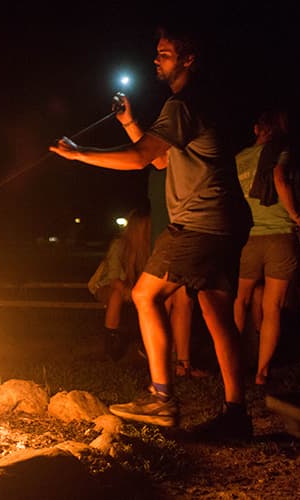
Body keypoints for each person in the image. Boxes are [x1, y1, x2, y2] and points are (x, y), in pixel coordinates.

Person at [50, 26, 253, 439]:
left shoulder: (183, 105)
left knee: (144, 294)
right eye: (157, 53)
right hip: (223, 223)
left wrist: (79, 154)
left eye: (164, 53)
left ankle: (161, 400)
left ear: (188, 60)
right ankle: (237, 413)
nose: (156, 60)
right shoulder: (196, 104)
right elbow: (160, 161)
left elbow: (142, 158)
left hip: (199, 222)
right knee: (216, 314)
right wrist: (129, 123)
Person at [118, 94, 207, 378]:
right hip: (166, 236)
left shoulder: (179, 158)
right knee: (166, 301)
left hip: (184, 233)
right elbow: (150, 154)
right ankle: (167, 363)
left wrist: (78, 152)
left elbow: (151, 155)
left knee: (182, 301)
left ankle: (179, 364)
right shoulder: (162, 164)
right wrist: (128, 122)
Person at [233, 110, 300, 386]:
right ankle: (261, 373)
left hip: (249, 237)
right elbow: (278, 177)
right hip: (279, 235)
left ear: (256, 130)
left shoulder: (238, 159)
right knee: (272, 306)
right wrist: (296, 214)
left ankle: (232, 361)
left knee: (240, 300)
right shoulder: (281, 151)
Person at [87, 207, 151, 360]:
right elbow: (114, 278)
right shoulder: (119, 245)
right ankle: (111, 341)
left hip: (133, 288)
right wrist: (130, 292)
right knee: (116, 295)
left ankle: (148, 342)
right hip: (106, 285)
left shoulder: (150, 247)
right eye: (147, 226)